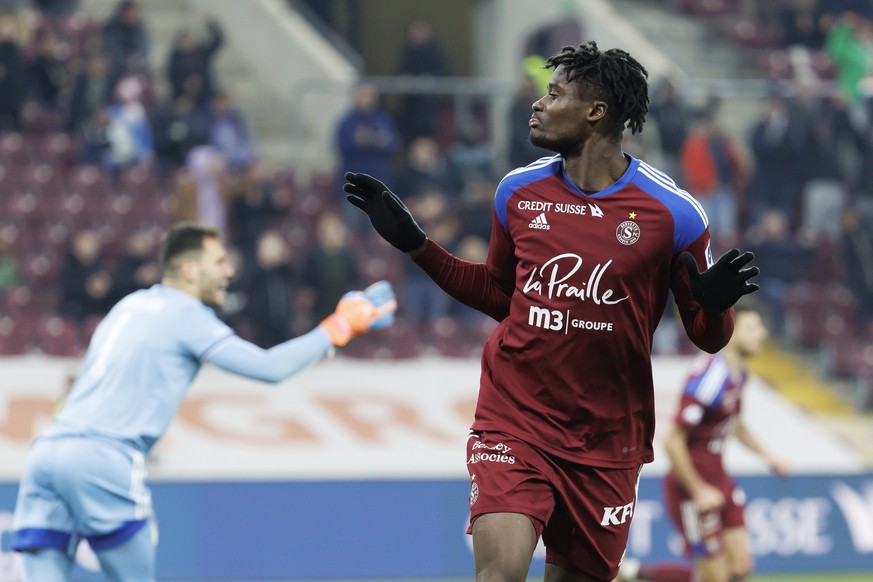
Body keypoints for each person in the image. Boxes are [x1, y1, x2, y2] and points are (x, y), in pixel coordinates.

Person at [344, 41, 760, 582]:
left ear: (596, 113)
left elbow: (708, 336)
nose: (538, 105)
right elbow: (500, 295)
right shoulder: (518, 192)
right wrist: (419, 247)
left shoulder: (675, 214)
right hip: (516, 419)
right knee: (499, 575)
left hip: (610, 438)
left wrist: (717, 305)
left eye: (554, 94)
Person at [11, 222, 397, 581]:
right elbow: (269, 368)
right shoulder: (186, 315)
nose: (229, 272)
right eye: (219, 262)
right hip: (104, 457)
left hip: (48, 451)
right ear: (190, 271)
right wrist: (340, 325)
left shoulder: (128, 307)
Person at [618, 304, 790, 582]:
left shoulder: (739, 374)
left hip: (719, 478)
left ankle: (632, 571)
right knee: (715, 577)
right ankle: (632, 572)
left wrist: (769, 457)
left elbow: (734, 423)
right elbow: (673, 442)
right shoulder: (710, 377)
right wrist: (698, 491)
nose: (762, 334)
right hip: (692, 484)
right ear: (732, 334)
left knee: (740, 565)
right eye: (753, 328)